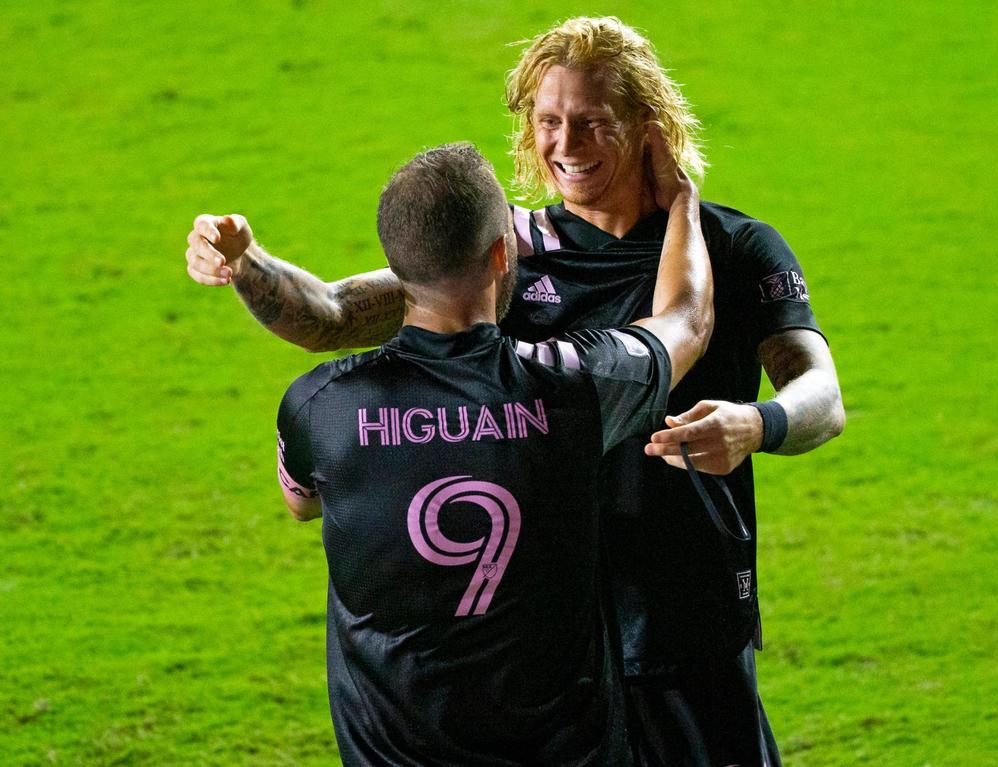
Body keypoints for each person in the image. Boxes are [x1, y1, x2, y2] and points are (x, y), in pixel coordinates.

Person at [187, 17, 844, 766]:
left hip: (682, 618)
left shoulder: (735, 246)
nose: (566, 145)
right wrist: (245, 261)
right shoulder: (504, 254)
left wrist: (758, 423)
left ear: (647, 124)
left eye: (592, 123)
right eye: (548, 121)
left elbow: (821, 393)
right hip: (547, 640)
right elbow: (332, 313)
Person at [274, 138, 712, 765]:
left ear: (394, 267)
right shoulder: (575, 385)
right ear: (502, 256)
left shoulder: (321, 404)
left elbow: (301, 504)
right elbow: (687, 322)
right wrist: (684, 205)